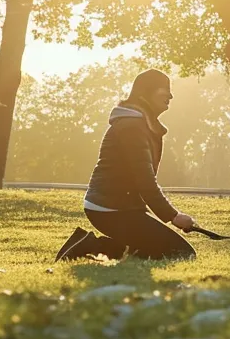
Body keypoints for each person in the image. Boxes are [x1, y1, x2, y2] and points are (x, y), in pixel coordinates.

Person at [55, 69, 199, 261]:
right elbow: (145, 180)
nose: (170, 95)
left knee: (163, 251)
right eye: (164, 89)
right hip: (110, 210)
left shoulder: (140, 124)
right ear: (145, 92)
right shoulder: (132, 127)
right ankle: (90, 246)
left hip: (123, 208)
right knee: (181, 253)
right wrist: (174, 216)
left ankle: (95, 246)